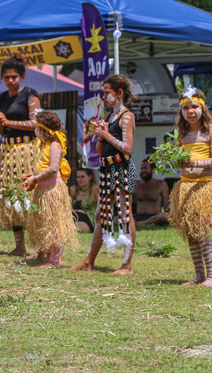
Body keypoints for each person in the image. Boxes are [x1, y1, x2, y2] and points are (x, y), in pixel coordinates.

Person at [72, 75, 137, 275]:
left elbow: (127, 148)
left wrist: (106, 135)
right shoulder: (109, 117)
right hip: (107, 168)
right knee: (101, 215)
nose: (104, 96)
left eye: (107, 92)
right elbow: (102, 148)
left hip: (123, 168)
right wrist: (100, 135)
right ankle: (89, 261)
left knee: (125, 215)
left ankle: (127, 265)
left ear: (119, 93)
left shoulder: (127, 116)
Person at [169, 87, 212, 286]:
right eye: (186, 108)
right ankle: (199, 275)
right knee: (190, 231)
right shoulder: (181, 134)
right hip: (186, 186)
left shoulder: (211, 131)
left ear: (203, 108)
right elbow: (178, 158)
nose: (190, 111)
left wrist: (195, 163)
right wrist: (178, 161)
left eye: (194, 107)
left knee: (200, 230)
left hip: (204, 187)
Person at [0, 53, 41, 256]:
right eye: (7, 77)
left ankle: (38, 245)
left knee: (28, 196)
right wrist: (1, 124)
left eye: (14, 77)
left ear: (21, 76)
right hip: (7, 152)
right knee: (11, 196)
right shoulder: (2, 98)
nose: (10, 80)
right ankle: (19, 246)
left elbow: (35, 123)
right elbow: (1, 130)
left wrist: (8, 121)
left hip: (26, 150)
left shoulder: (30, 94)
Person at [22, 111, 78, 268]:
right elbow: (44, 167)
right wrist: (32, 175)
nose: (35, 131)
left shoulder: (55, 145)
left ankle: (54, 260)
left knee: (54, 225)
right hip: (43, 189)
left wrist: (35, 178)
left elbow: (53, 169)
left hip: (52, 190)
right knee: (43, 223)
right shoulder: (44, 145)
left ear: (43, 129)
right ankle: (44, 254)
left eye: (37, 128)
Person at [133, 158, 169, 227]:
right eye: (142, 168)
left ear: (152, 169)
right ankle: (144, 224)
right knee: (117, 217)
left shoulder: (161, 184)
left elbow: (166, 207)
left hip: (154, 217)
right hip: (138, 216)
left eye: (146, 168)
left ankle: (141, 224)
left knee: (165, 215)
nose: (143, 171)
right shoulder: (136, 185)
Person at [70, 168, 98, 233]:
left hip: (88, 218)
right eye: (78, 177)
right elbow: (69, 207)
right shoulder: (73, 189)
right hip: (74, 216)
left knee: (73, 228)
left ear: (90, 177)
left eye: (82, 177)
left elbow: (101, 207)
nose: (80, 179)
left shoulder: (94, 189)